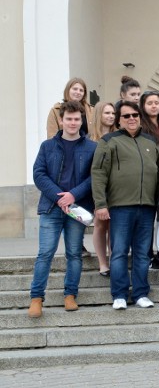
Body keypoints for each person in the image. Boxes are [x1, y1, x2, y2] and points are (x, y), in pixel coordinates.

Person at [91, 100, 159, 311]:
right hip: (120, 206)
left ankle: (140, 293)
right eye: (126, 116)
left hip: (147, 207)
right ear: (119, 119)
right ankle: (120, 294)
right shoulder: (109, 141)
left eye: (135, 115)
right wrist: (100, 204)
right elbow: (98, 173)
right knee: (120, 251)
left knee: (143, 253)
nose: (132, 119)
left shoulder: (151, 142)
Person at [28, 101, 97, 318]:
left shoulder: (91, 147)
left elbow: (94, 177)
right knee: (45, 253)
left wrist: (72, 195)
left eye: (77, 119)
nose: (73, 123)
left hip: (77, 208)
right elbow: (39, 174)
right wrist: (59, 196)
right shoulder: (47, 146)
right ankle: (36, 298)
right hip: (52, 207)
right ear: (61, 120)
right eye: (69, 119)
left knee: (74, 254)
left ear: (81, 121)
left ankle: (70, 295)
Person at [89, 101, 117, 275]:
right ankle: (102, 263)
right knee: (100, 225)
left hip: (115, 188)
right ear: (99, 115)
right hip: (98, 188)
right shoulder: (90, 140)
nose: (111, 116)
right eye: (107, 113)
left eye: (113, 113)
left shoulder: (118, 136)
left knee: (113, 226)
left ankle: (113, 258)